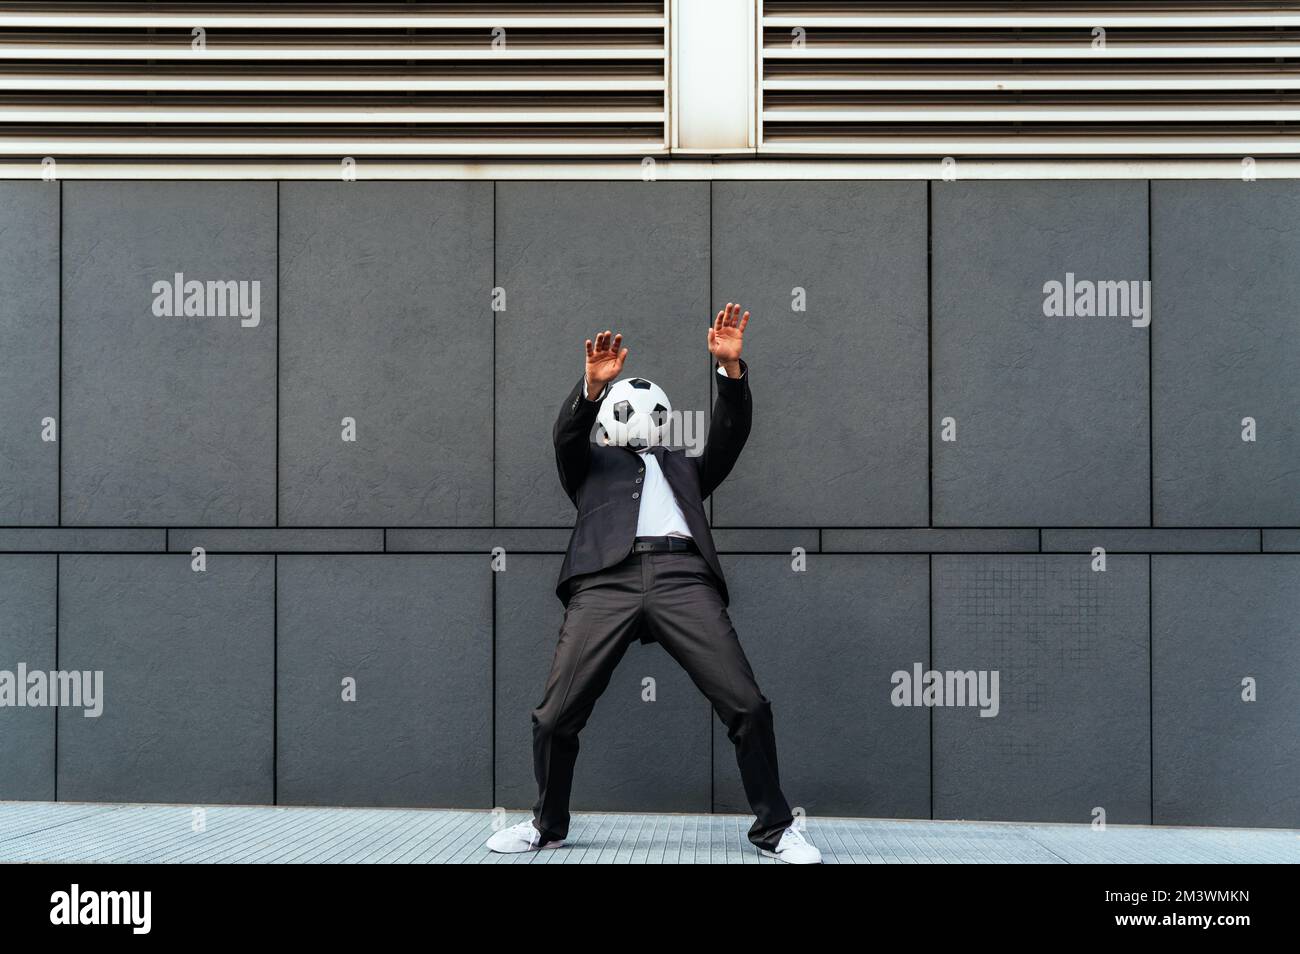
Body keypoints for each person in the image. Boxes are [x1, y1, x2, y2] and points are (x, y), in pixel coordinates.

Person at [486, 303, 821, 864]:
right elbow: (566, 435)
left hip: (682, 578)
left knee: (747, 704)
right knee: (554, 715)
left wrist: (730, 371)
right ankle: (547, 826)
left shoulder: (686, 466)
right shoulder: (589, 465)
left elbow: (731, 435)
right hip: (603, 583)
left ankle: (775, 829)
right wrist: (592, 387)